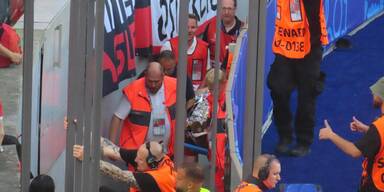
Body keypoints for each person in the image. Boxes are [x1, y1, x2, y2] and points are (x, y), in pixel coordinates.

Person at [267, 0, 329, 156]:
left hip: (310, 48)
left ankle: (303, 141)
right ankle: (285, 134)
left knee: (306, 96)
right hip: (284, 48)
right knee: (277, 89)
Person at [319, 77, 384, 192]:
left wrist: (331, 135)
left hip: (376, 185)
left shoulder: (379, 128)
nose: (373, 93)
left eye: (376, 92)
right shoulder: (377, 131)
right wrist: (366, 129)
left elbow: (354, 151)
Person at [109, 62, 177, 156]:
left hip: (165, 153)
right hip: (138, 154)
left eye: (156, 82)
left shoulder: (174, 85)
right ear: (145, 75)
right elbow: (117, 117)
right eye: (150, 81)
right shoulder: (133, 90)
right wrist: (112, 147)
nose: (153, 85)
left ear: (163, 76)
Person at [73, 140, 176, 192]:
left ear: (151, 163)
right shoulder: (153, 157)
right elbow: (113, 150)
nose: (135, 160)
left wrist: (89, 160)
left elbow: (119, 175)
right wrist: (79, 126)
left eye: (139, 160)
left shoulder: (154, 179)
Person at [161, 14, 209, 90]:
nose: (189, 30)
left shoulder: (204, 47)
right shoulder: (168, 46)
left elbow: (207, 74)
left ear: (197, 28)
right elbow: (163, 74)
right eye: (186, 27)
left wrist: (198, 92)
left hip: (197, 91)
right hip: (174, 90)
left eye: (193, 27)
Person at [201, 0, 244, 68]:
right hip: (213, 75)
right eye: (224, 8)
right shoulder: (211, 26)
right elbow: (202, 52)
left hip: (233, 76)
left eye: (229, 9)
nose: (226, 12)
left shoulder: (243, 30)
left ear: (235, 9)